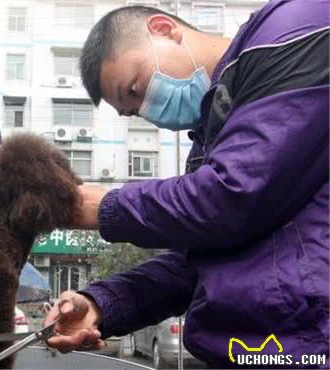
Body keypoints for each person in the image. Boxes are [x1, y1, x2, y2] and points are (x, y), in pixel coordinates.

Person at [44, 1, 329, 367]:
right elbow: (194, 263)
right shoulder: (210, 142)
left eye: (134, 87)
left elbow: (236, 196)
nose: (146, 110)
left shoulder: (294, 27)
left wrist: (105, 206)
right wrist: (101, 303)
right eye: (133, 112)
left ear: (164, 29)